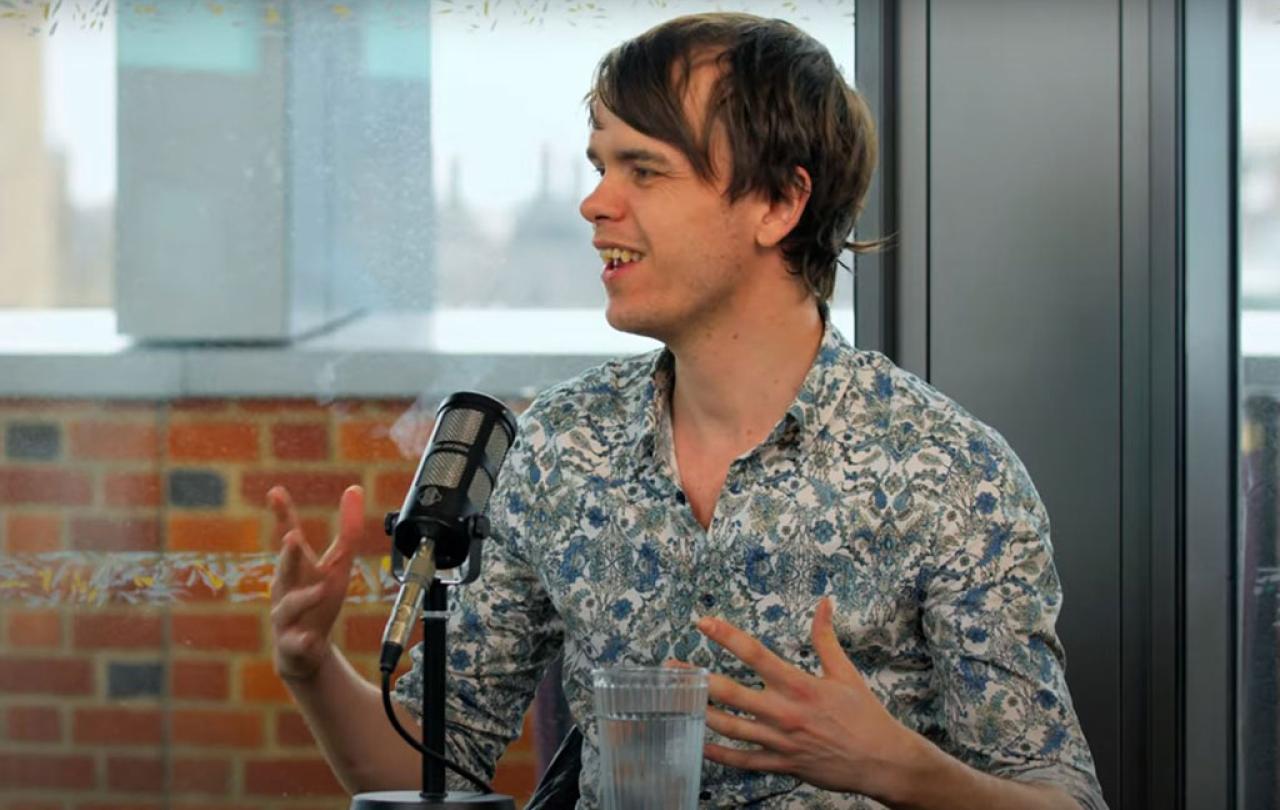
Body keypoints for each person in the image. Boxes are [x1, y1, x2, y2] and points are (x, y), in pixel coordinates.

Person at [268, 12, 1107, 810]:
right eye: (601, 166)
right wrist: (311, 668)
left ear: (778, 204)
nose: (596, 203)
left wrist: (897, 768)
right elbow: (435, 764)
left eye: (645, 169)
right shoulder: (564, 446)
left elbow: (1061, 797)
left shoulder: (951, 472)